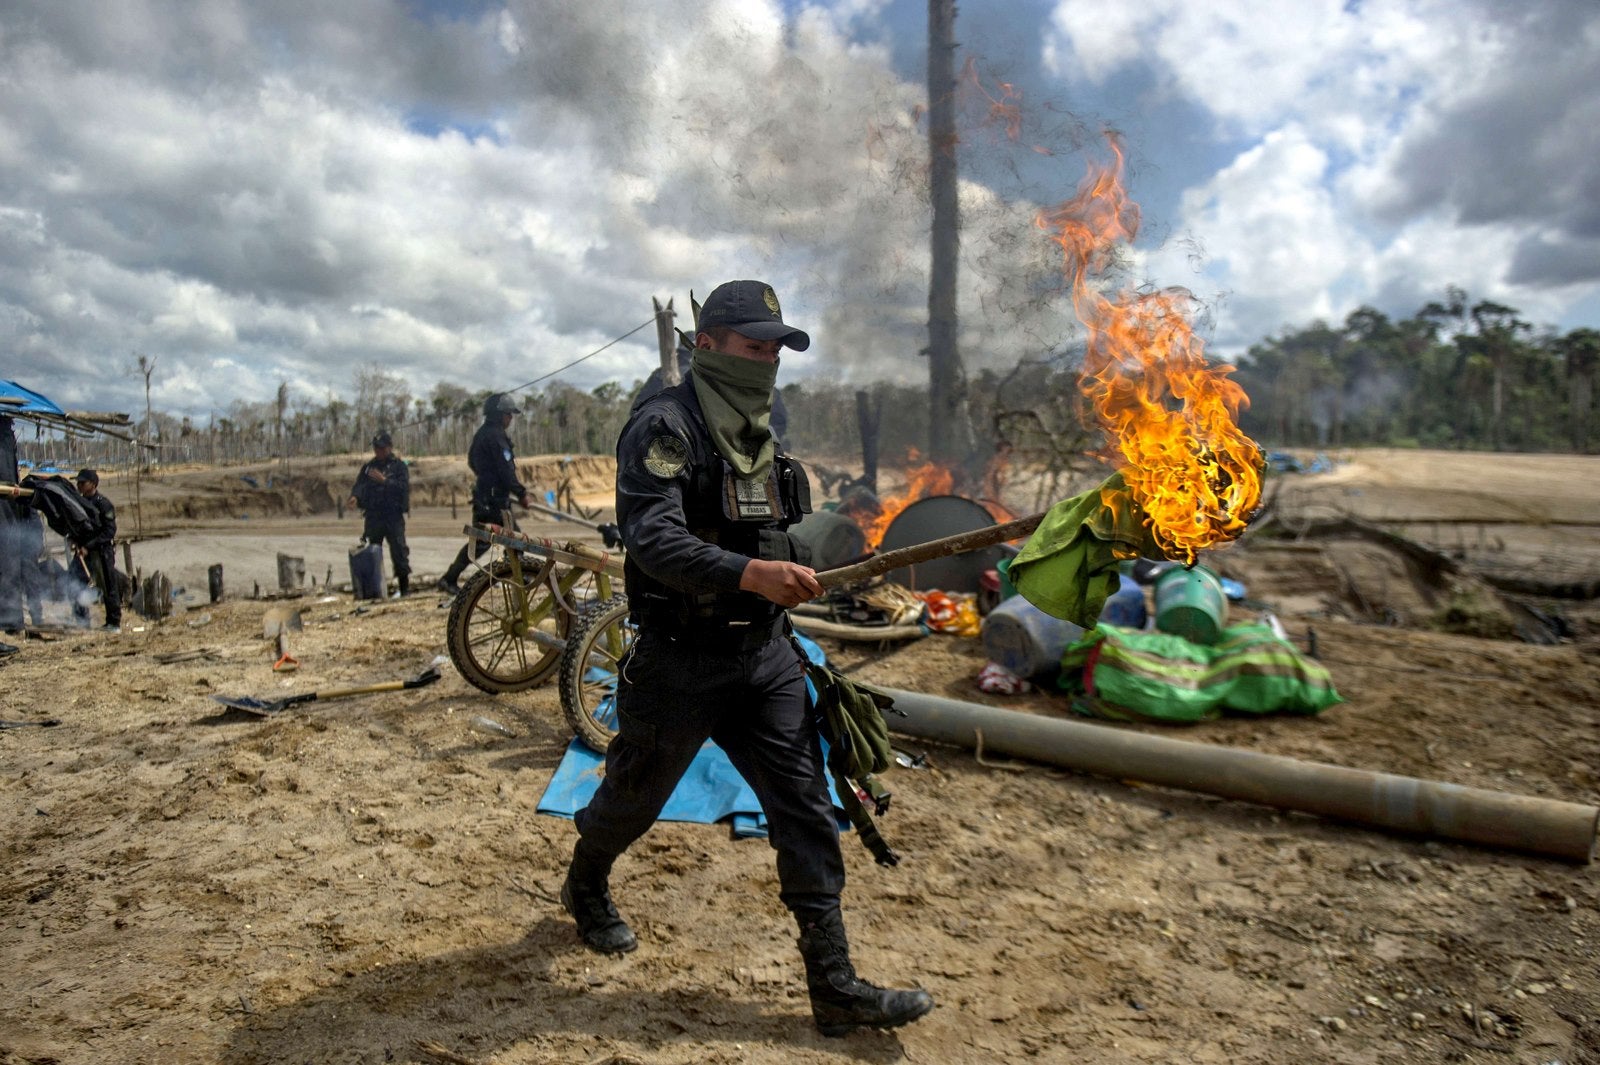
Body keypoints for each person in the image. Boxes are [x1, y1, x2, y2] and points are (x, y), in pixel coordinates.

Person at [562, 280, 933, 1037]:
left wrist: (796, 562)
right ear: (707, 345)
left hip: (765, 656)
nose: (767, 361)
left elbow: (766, 530)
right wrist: (751, 574)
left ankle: (834, 989)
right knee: (633, 799)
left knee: (804, 808)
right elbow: (653, 540)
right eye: (753, 346)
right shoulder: (666, 426)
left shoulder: (758, 430)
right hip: (681, 661)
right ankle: (587, 880)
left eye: (775, 350)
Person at [437, 393, 531, 595]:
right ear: (499, 415)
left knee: (514, 540)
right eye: (508, 415)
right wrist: (521, 493)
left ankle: (516, 576)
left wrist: (487, 478)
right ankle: (450, 578)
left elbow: (473, 461)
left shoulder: (481, 434)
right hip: (493, 501)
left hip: (488, 496)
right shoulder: (496, 437)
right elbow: (506, 471)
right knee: (487, 541)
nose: (510, 419)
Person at [347, 430, 412, 596]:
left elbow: (403, 488)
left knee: (399, 552)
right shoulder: (369, 468)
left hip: (393, 516)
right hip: (374, 516)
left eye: (382, 448)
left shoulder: (399, 466)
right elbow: (360, 485)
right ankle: (372, 589)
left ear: (389, 448)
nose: (379, 451)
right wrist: (355, 496)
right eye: (376, 448)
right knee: (370, 551)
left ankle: (404, 588)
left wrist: (385, 481)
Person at [72, 468, 121, 633]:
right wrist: (77, 543)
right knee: (74, 583)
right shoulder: (78, 503)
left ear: (92, 484)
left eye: (82, 482)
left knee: (108, 586)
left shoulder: (103, 503)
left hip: (101, 552)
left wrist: (89, 546)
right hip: (83, 553)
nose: (78, 485)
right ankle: (82, 621)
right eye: (77, 482)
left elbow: (109, 531)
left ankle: (113, 623)